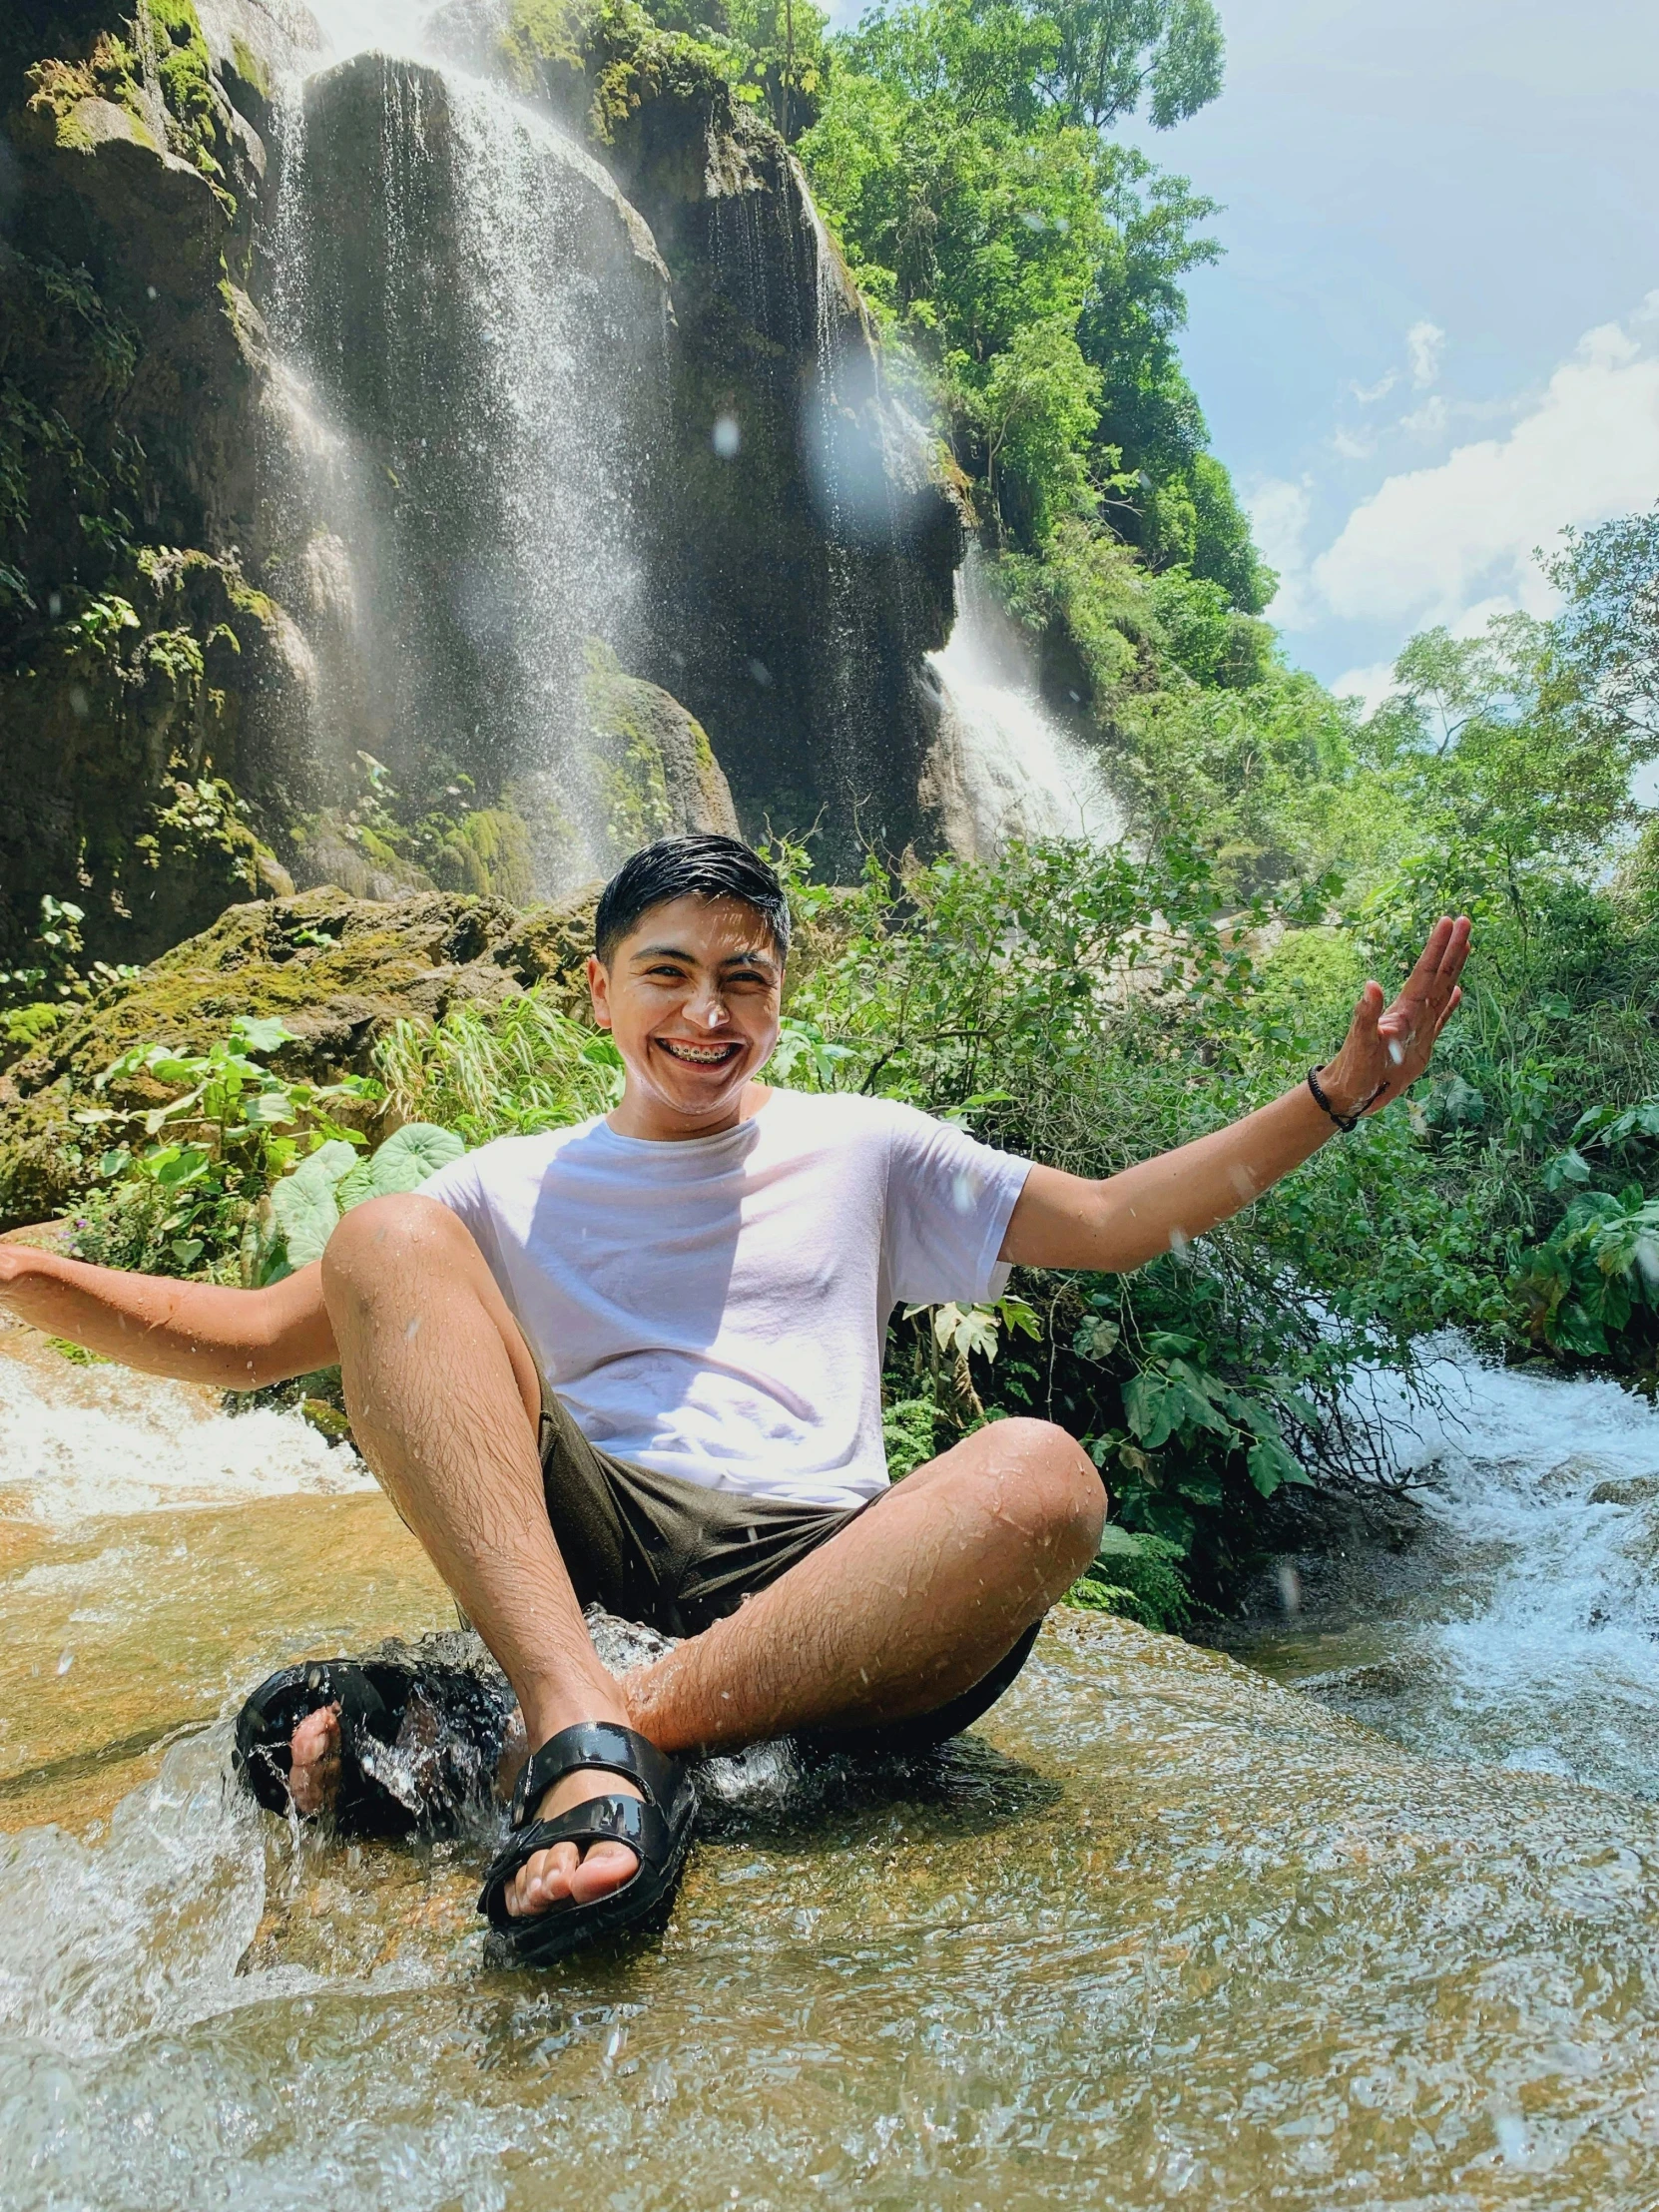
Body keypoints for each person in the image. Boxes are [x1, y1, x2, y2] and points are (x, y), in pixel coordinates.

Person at [0, 834, 1469, 1960]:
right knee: (385, 1233)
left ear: (779, 997)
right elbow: (250, 1339)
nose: (707, 1013)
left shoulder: (863, 1145)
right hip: (589, 1555)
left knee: (1040, 1478)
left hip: (829, 1583)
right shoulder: (503, 1184)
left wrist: (1328, 1101)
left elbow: (1111, 1221)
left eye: (744, 979)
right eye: (667, 973)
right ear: (595, 988)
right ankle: (590, 1718)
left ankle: (557, 1738)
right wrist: (21, 1275)